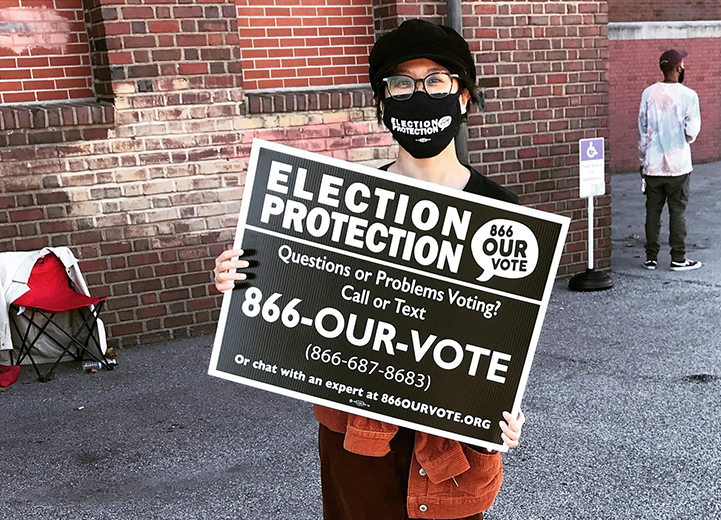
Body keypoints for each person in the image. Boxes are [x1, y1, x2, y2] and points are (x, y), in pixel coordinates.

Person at [213, 19, 525, 520]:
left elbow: (500, 336)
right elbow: (302, 299)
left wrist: (505, 411)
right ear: (383, 103)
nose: (419, 95)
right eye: (401, 82)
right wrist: (243, 277)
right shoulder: (348, 201)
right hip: (357, 443)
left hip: (452, 451)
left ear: (463, 97)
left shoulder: (504, 213)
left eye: (436, 80)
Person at [638, 48, 702, 271]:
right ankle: (678, 257)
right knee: (677, 211)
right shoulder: (689, 96)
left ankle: (651, 258)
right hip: (678, 165)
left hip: (653, 164)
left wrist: (642, 159)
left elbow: (643, 130)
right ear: (678, 68)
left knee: (652, 212)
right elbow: (692, 132)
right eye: (682, 64)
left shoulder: (648, 94)